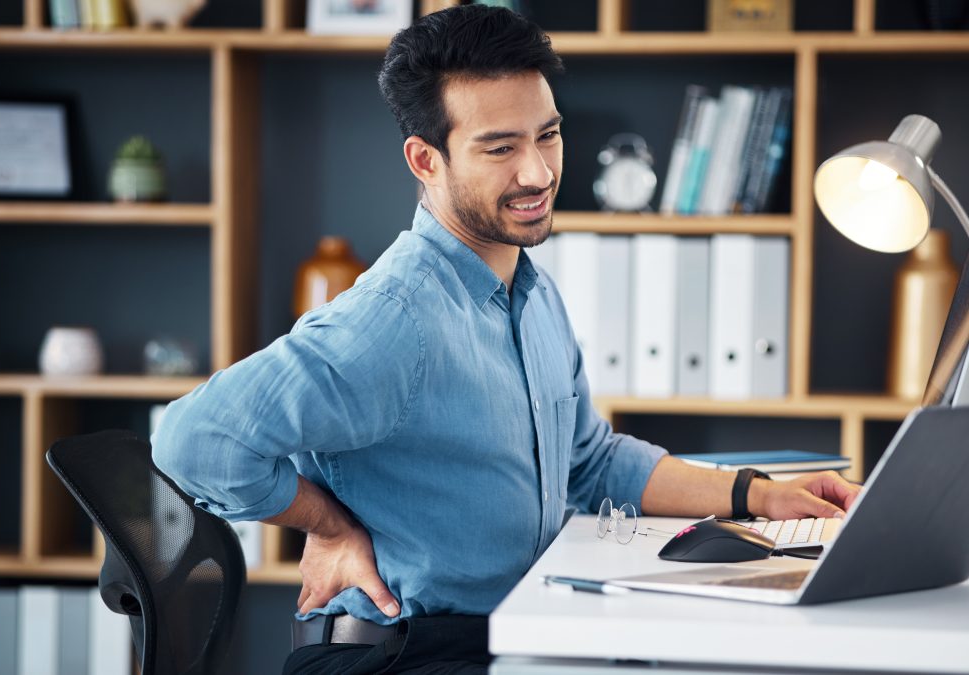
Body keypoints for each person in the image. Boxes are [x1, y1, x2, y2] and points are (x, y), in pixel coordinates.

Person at [152, 5, 860, 673]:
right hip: (399, 654)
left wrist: (760, 496)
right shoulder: (394, 321)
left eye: (547, 135)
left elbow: (589, 459)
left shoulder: (530, 291)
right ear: (426, 160)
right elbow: (191, 441)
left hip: (505, 630)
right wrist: (328, 524)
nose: (539, 172)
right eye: (500, 147)